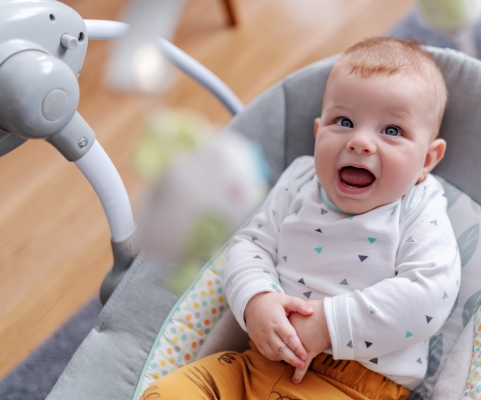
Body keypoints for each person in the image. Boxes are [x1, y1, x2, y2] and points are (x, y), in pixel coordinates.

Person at [140, 37, 460, 400]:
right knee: (169, 393)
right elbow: (250, 244)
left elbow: (429, 293)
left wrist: (327, 325)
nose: (360, 142)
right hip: (257, 363)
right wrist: (257, 300)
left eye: (391, 131)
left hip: (354, 385)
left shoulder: (419, 204)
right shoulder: (299, 179)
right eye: (344, 121)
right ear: (317, 131)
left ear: (427, 160)